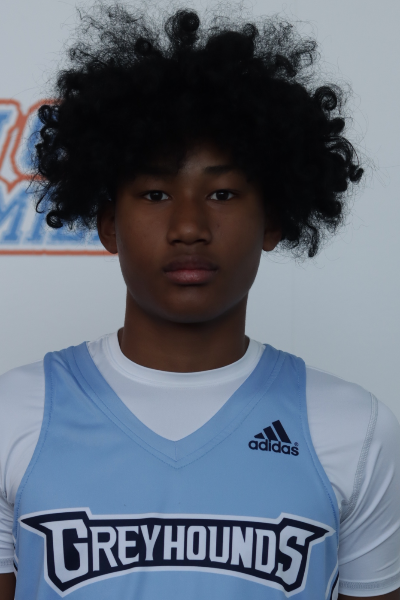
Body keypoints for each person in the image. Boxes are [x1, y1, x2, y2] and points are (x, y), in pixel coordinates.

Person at [0, 4, 399, 599]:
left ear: (273, 221)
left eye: (223, 193)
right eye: (155, 193)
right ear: (108, 224)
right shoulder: (13, 414)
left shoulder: (352, 427)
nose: (189, 226)